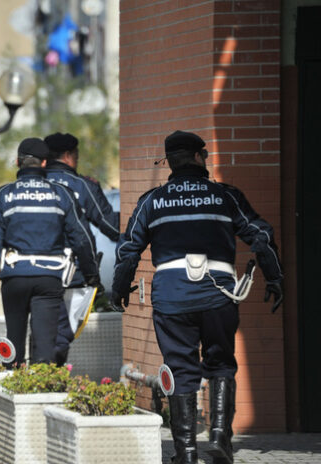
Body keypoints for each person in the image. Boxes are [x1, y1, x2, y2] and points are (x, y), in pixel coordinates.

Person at [111, 130, 284, 464]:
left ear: (169, 163)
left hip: (172, 297)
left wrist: (120, 288)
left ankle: (186, 452)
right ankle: (220, 439)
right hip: (218, 294)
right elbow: (261, 235)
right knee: (221, 363)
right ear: (198, 157)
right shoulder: (225, 196)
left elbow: (129, 248)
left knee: (180, 368)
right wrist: (274, 276)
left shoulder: (152, 201)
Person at [0, 137, 100, 367]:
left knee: (12, 347)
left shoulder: (2, 196)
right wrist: (91, 273)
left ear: (17, 162)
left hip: (14, 277)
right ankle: (38, 393)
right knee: (44, 349)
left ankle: (12, 388)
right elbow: (81, 238)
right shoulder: (61, 195)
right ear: (44, 163)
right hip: (48, 278)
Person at [44, 132, 121, 364]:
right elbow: (110, 226)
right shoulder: (82, 185)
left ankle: (38, 378)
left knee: (42, 329)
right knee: (65, 332)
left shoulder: (32, 185)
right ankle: (50, 375)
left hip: (33, 271)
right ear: (68, 156)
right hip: (73, 272)